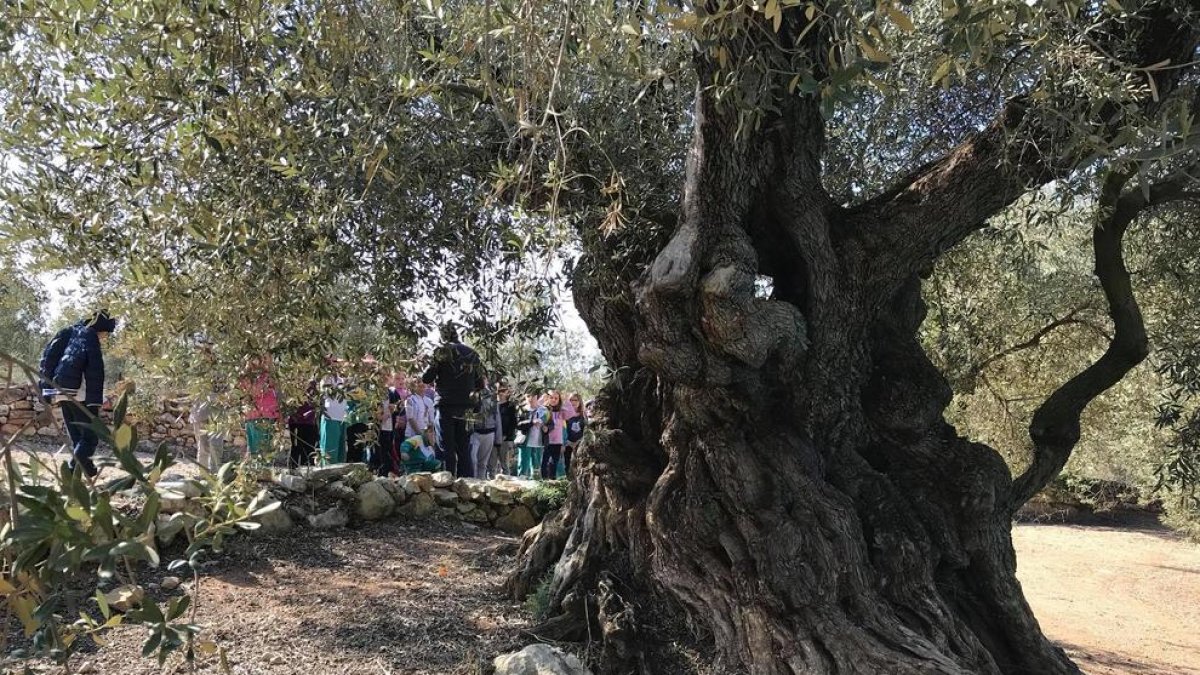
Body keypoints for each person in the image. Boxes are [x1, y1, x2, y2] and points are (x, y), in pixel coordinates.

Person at [38, 310, 117, 478]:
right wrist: (96, 401)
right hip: (79, 395)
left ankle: (87, 470)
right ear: (100, 327)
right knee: (90, 437)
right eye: (105, 333)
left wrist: (46, 388)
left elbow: (47, 359)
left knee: (77, 437)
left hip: (60, 391)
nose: (105, 337)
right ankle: (72, 471)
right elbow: (94, 371)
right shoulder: (89, 336)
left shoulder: (68, 332)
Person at [421, 323, 483, 477]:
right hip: (467, 407)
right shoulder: (472, 354)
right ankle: (466, 485)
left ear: (442, 336)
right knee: (464, 449)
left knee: (446, 448)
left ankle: (446, 483)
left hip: (446, 405)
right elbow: (480, 383)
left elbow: (426, 377)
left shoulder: (441, 352)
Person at [240, 356, 279, 457]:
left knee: (265, 450)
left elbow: (274, 384)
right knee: (254, 450)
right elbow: (249, 392)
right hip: (253, 415)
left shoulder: (268, 375)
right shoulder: (246, 377)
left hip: (267, 415)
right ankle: (257, 470)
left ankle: (263, 470)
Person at [471, 378, 502, 479]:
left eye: (485, 379)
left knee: (483, 463)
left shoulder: (492, 396)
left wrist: (498, 438)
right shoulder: (471, 393)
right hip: (474, 432)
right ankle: (472, 484)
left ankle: (481, 486)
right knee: (472, 460)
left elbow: (497, 416)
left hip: (489, 432)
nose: (484, 381)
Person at [319, 364, 349, 463]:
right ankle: (326, 474)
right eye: (333, 362)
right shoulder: (326, 378)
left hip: (342, 418)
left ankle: (338, 473)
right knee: (329, 449)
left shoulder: (342, 379)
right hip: (330, 417)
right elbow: (327, 392)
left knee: (340, 450)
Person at [288, 380, 319, 468]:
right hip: (297, 422)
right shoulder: (293, 383)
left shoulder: (315, 384)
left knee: (310, 449)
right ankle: (293, 469)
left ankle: (308, 471)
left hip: (310, 422)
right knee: (297, 447)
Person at [519, 392, 549, 478]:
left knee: (536, 468)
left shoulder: (544, 410)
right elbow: (518, 424)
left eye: (533, 396)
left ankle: (535, 487)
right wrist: (532, 422)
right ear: (525, 397)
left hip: (539, 442)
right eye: (528, 396)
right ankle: (521, 484)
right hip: (525, 441)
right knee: (523, 466)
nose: (530, 398)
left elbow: (550, 424)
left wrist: (546, 428)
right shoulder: (523, 409)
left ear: (537, 397)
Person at [542, 390, 571, 479]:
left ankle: (553, 480)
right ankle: (543, 480)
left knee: (554, 462)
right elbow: (538, 405)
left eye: (556, 398)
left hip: (557, 441)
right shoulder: (544, 409)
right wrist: (543, 397)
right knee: (544, 461)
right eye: (551, 397)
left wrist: (567, 401)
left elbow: (571, 413)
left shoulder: (562, 412)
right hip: (546, 441)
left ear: (559, 400)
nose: (553, 400)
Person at [494, 380, 519, 476]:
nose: (500, 393)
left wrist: (506, 435)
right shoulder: (493, 404)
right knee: (492, 465)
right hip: (493, 437)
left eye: (502, 391)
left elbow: (513, 423)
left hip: (505, 439)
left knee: (504, 464)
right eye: (498, 391)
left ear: (507, 392)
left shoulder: (510, 406)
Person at [563, 392, 587, 476]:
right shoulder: (564, 413)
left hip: (580, 443)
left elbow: (586, 429)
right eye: (571, 400)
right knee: (566, 462)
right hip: (567, 443)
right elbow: (562, 428)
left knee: (579, 463)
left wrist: (581, 441)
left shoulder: (584, 414)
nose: (573, 402)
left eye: (575, 400)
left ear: (579, 402)